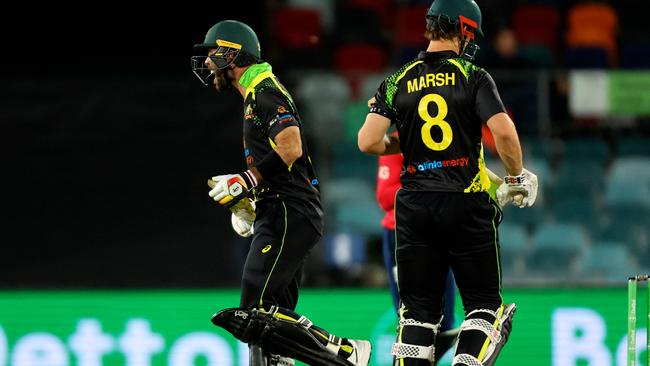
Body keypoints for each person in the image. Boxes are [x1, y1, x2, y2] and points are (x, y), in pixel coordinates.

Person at [357, 0, 539, 365]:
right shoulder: (473, 75)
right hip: (464, 203)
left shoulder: (397, 80)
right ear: (464, 30)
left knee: (418, 315)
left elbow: (368, 141)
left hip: (413, 208)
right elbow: (503, 130)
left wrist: (407, 143)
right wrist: (516, 176)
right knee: (484, 309)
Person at [191, 20, 371, 366]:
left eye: (214, 52)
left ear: (233, 52)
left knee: (253, 310)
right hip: (285, 211)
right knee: (272, 313)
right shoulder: (256, 93)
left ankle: (345, 350)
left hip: (288, 211)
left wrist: (246, 180)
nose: (209, 60)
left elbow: (291, 147)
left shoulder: (264, 91)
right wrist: (247, 204)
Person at [376, 141, 460, 365]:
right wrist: (428, 181)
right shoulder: (397, 141)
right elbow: (385, 196)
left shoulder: (443, 137)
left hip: (439, 230)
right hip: (401, 232)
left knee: (444, 323)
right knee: (412, 318)